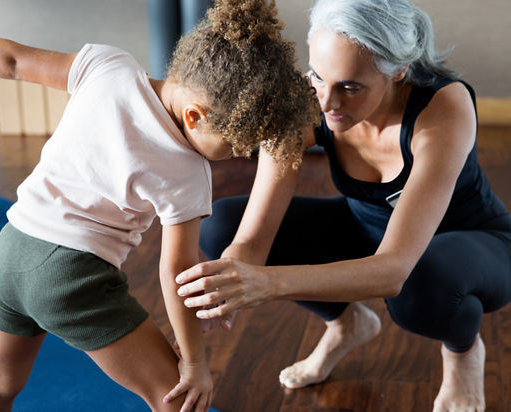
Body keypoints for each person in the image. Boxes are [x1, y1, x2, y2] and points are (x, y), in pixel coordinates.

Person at [0, 1, 318, 411]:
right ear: (195, 116)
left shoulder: (107, 65)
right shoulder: (188, 173)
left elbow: (10, 60)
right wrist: (193, 361)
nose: (239, 154)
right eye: (236, 144)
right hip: (71, 278)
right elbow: (176, 272)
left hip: (10, 252)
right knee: (179, 398)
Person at [175, 0, 511, 410]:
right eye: (318, 76)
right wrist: (222, 296)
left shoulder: (443, 108)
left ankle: (462, 353)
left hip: (471, 246)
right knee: (222, 224)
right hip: (368, 230)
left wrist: (270, 283)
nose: (327, 102)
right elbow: (252, 239)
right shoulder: (308, 99)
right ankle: (346, 323)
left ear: (398, 70)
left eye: (351, 87)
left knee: (420, 285)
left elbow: (393, 271)